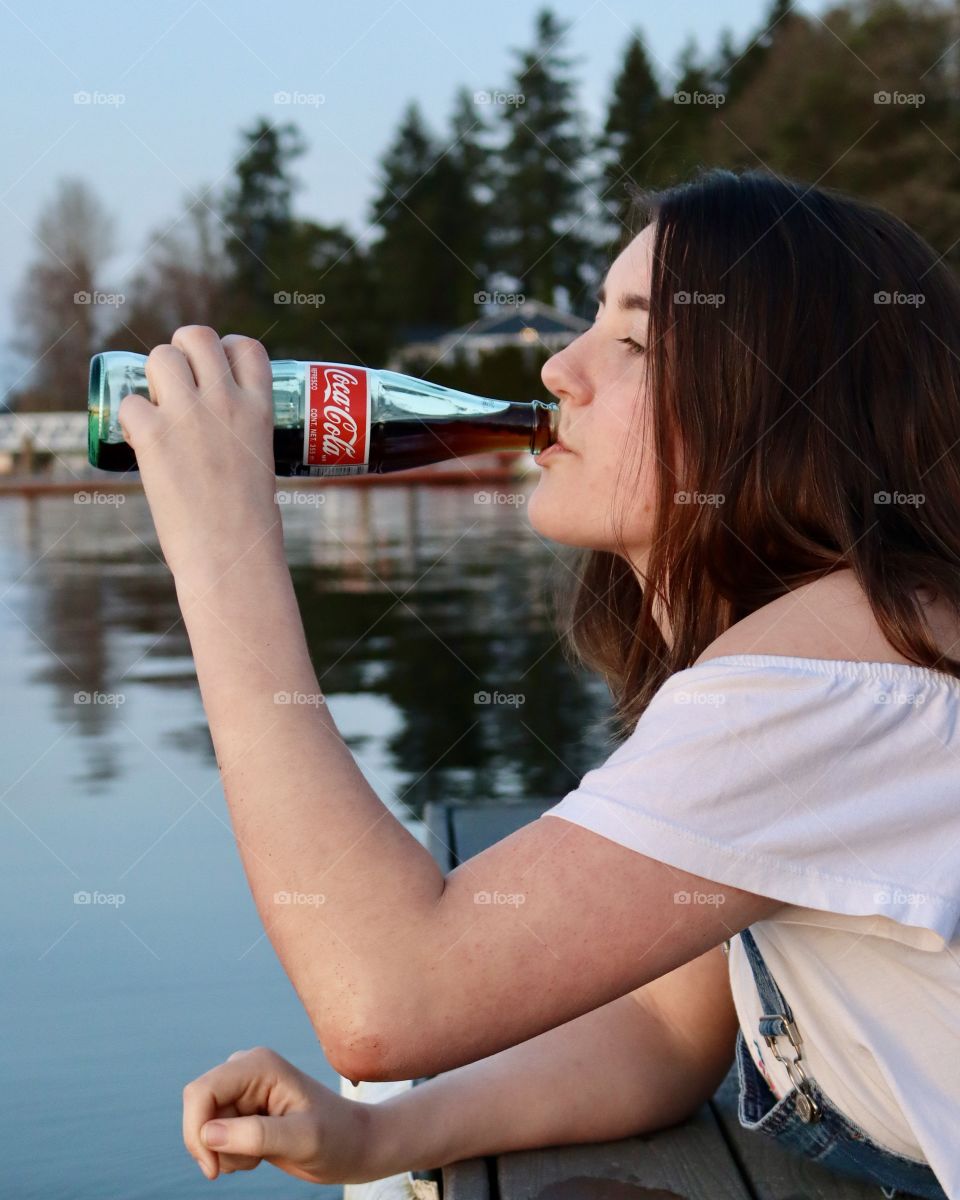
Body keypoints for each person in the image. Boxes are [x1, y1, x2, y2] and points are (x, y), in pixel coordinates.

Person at [120, 166, 960, 1196]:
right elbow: (662, 1030)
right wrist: (381, 1134)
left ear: (781, 404)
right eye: (592, 321)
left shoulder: (826, 677)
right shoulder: (829, 653)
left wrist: (220, 548)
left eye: (635, 341)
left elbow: (386, 996)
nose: (562, 368)